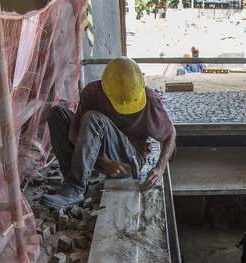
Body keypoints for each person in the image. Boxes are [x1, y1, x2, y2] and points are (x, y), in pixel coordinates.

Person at [41, 57, 177, 209]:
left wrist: (160, 167)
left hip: (127, 158)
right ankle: (73, 187)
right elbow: (74, 134)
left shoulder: (149, 101)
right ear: (104, 87)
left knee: (93, 118)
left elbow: (170, 133)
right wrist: (101, 161)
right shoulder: (92, 92)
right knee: (56, 114)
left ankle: (75, 187)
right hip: (96, 152)